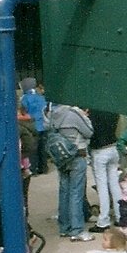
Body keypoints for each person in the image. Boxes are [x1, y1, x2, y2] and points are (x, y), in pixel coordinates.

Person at [47, 101, 95, 242]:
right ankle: (77, 230)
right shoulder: (73, 113)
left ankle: (64, 227)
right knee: (76, 193)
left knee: (64, 192)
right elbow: (89, 132)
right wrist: (85, 117)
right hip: (76, 154)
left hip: (61, 156)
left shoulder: (52, 114)